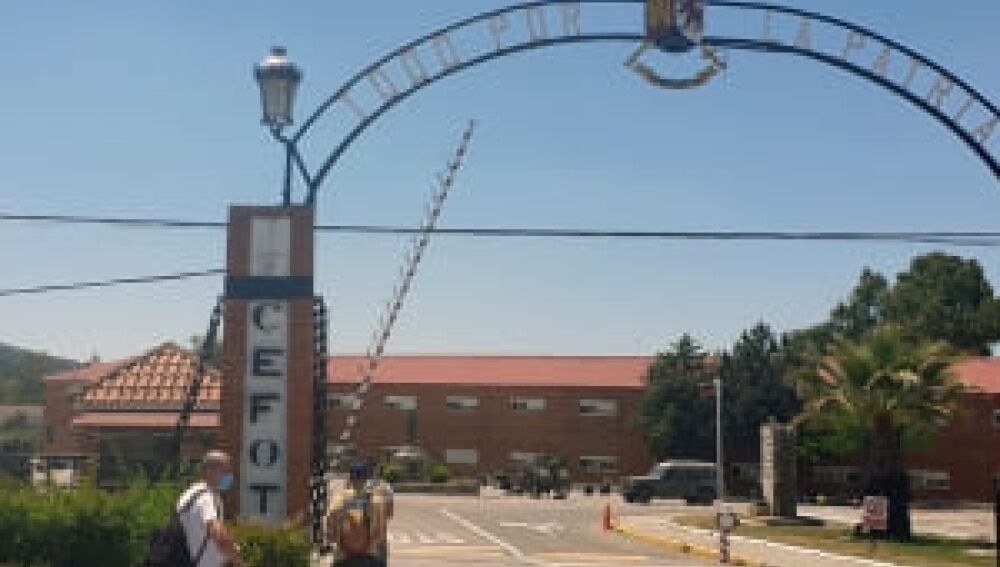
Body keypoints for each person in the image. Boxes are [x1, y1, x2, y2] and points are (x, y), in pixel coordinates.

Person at [177, 450, 246, 567]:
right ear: (209, 471)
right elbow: (218, 534)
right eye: (226, 471)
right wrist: (239, 562)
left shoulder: (191, 493)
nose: (230, 476)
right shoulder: (206, 498)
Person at [326, 461, 391, 567]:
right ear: (366, 479)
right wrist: (369, 545)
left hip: (343, 556)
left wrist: (339, 543)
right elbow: (381, 531)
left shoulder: (339, 499)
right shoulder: (376, 500)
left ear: (350, 478)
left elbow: (329, 524)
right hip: (369, 555)